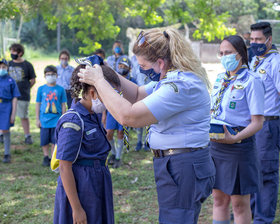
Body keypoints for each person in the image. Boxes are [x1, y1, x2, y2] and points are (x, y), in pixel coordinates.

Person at [79, 28, 215, 224]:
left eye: (143, 65)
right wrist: (107, 71)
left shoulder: (180, 86)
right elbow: (136, 94)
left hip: (182, 165)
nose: (140, 69)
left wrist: (99, 81)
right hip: (177, 162)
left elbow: (129, 116)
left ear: (160, 63)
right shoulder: (169, 78)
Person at [53, 63, 121, 224]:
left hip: (98, 182)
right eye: (108, 93)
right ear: (92, 93)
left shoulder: (94, 115)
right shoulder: (73, 121)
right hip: (82, 186)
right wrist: (76, 208)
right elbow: (64, 166)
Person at [210, 35, 264, 224]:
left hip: (239, 147)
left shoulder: (252, 80)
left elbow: (257, 122)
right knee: (218, 199)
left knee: (239, 204)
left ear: (240, 54)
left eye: (229, 53)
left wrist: (235, 138)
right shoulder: (219, 79)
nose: (224, 56)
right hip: (216, 146)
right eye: (222, 53)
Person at [249, 22, 280, 224]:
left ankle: (263, 218)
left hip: (268, 124)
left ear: (269, 39)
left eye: (258, 40)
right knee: (253, 169)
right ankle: (251, 211)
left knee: (266, 173)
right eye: (252, 39)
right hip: (252, 125)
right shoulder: (254, 62)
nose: (254, 43)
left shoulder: (276, 62)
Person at [105, 56, 136, 168]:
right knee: (108, 133)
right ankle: (113, 153)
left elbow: (135, 96)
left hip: (125, 111)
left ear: (129, 68)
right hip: (112, 110)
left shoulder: (132, 81)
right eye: (120, 66)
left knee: (120, 133)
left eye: (124, 66)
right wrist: (104, 113)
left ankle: (118, 157)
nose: (122, 68)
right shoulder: (113, 80)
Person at [36, 65, 67, 166]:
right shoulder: (41, 89)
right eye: (48, 74)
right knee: (44, 140)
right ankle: (46, 157)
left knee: (55, 140)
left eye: (52, 74)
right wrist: (37, 119)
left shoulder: (61, 89)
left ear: (57, 75)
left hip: (56, 120)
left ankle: (53, 158)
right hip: (44, 120)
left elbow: (63, 105)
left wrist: (63, 118)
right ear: (44, 76)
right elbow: (38, 104)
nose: (50, 76)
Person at [8, 43, 36, 144]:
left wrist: (26, 88)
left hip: (23, 95)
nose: (12, 53)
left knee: (23, 116)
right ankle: (2, 134)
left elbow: (32, 80)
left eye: (14, 51)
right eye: (11, 51)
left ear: (20, 53)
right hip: (9, 96)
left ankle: (27, 136)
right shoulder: (8, 64)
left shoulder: (27, 65)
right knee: (6, 115)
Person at [0, 58, 21, 163]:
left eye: (3, 67)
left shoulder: (11, 81)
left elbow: (15, 98)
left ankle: (7, 154)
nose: (1, 69)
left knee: (5, 130)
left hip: (6, 106)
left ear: (7, 68)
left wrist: (13, 114)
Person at [130, 55, 151, 151]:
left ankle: (147, 142)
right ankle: (139, 142)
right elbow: (134, 77)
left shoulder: (151, 62)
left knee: (149, 120)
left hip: (150, 94)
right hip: (139, 94)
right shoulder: (135, 63)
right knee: (140, 119)